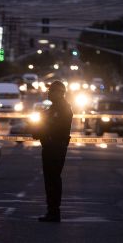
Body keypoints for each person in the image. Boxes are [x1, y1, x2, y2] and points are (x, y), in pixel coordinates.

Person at [32, 81, 73, 222]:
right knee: (51, 180)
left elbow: (53, 128)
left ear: (59, 93)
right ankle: (52, 211)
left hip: (55, 147)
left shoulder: (62, 109)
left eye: (52, 91)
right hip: (51, 146)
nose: (49, 93)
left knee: (52, 180)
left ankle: (54, 212)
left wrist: (41, 128)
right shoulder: (55, 108)